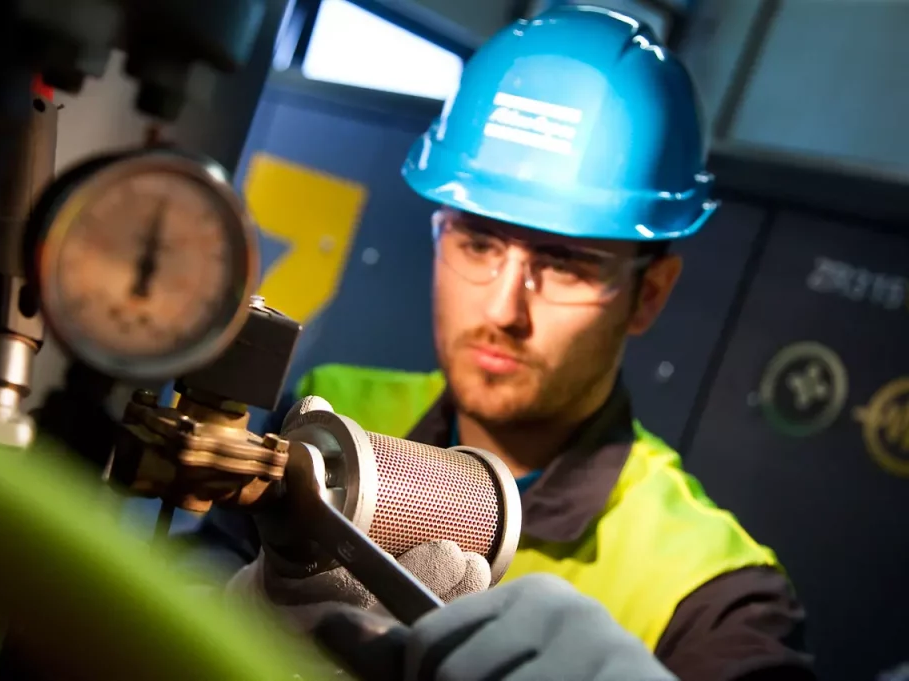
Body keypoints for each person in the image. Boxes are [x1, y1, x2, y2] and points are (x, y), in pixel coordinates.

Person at [201, 5, 816, 680]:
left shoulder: (714, 592)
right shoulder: (332, 409)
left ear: (649, 294)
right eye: (478, 243)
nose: (502, 310)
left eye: (566, 264)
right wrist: (236, 611)